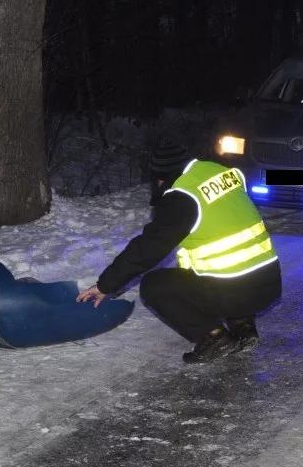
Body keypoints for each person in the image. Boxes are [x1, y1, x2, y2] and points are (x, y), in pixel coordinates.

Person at [77, 148, 282, 364]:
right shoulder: (221, 172)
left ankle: (215, 337)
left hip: (235, 291)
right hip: (269, 283)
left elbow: (146, 250)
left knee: (154, 286)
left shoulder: (183, 197)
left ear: (161, 177)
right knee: (219, 268)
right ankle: (244, 328)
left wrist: (104, 286)